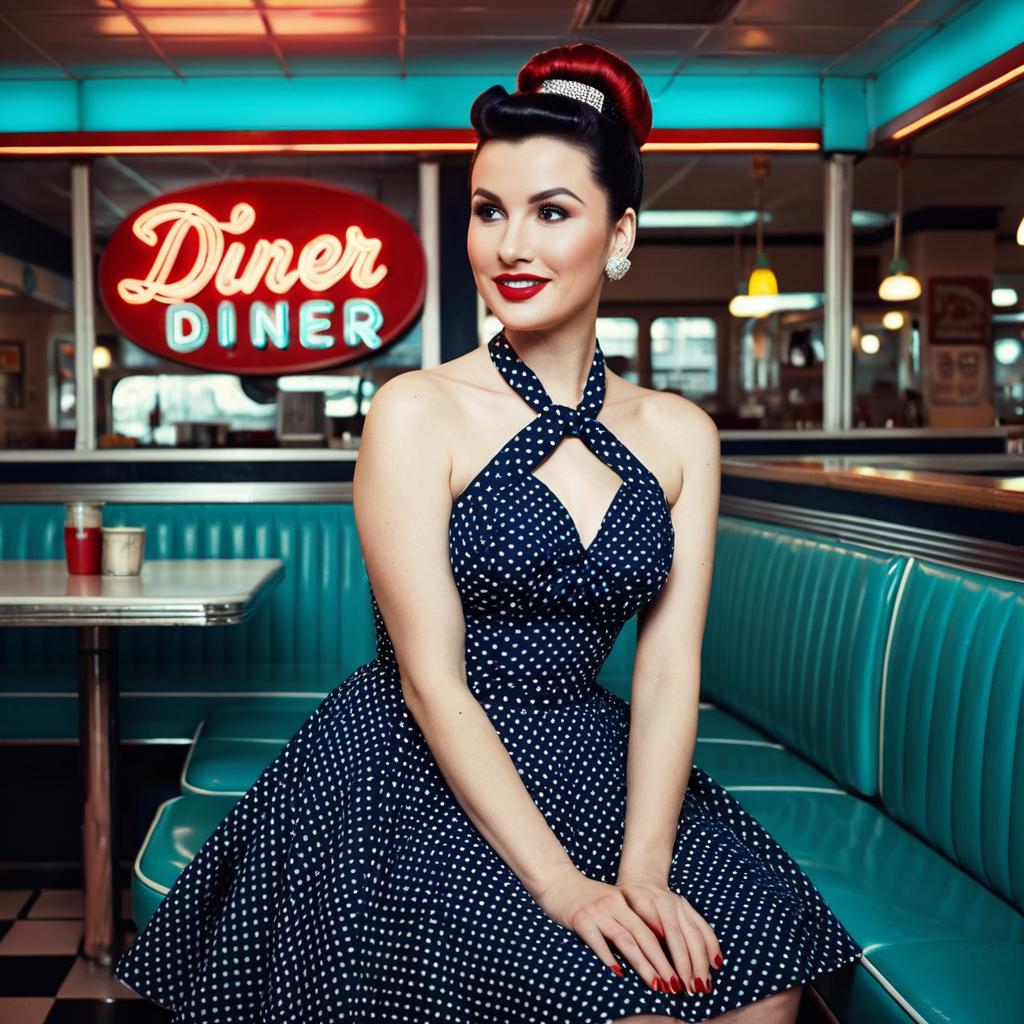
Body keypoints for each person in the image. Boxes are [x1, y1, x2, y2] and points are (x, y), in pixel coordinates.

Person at [113, 42, 863, 1023]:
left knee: (756, 994)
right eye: (488, 210)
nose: (511, 245)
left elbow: (669, 670)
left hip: (590, 749)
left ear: (620, 234)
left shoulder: (681, 434)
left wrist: (641, 867)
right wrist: (562, 888)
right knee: (621, 1008)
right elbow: (432, 678)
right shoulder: (415, 411)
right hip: (411, 763)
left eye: (552, 212)